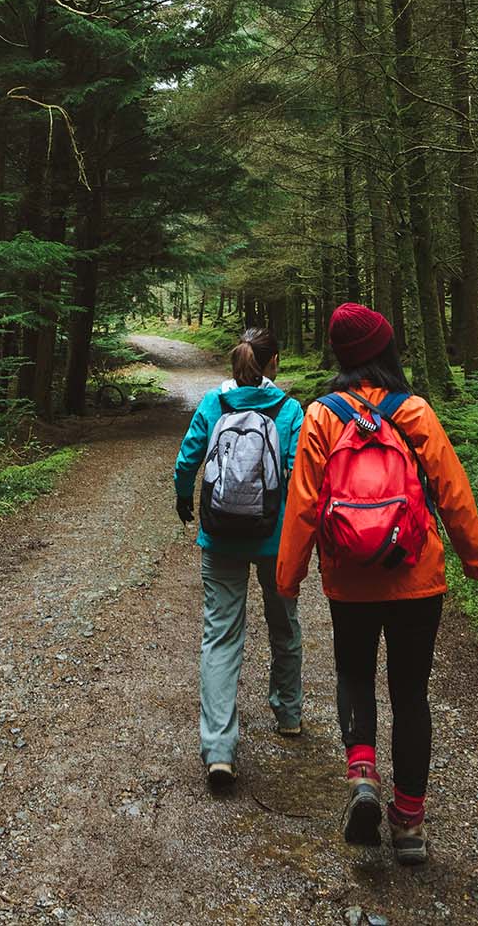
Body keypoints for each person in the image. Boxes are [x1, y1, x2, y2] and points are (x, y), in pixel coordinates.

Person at [276, 303, 478, 865]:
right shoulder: (414, 411)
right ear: (385, 351)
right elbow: (451, 489)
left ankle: (363, 774)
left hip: (350, 578)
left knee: (354, 673)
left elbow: (302, 504)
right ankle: (410, 824)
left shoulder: (321, 416)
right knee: (411, 694)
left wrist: (289, 577)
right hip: (417, 576)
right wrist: (474, 558)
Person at [172, 327, 306, 791]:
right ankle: (288, 713)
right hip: (274, 538)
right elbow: (299, 475)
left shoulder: (215, 403)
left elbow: (188, 458)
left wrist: (183, 497)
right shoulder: (289, 410)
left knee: (220, 636)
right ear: (273, 363)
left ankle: (219, 750)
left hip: (220, 535)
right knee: (283, 623)